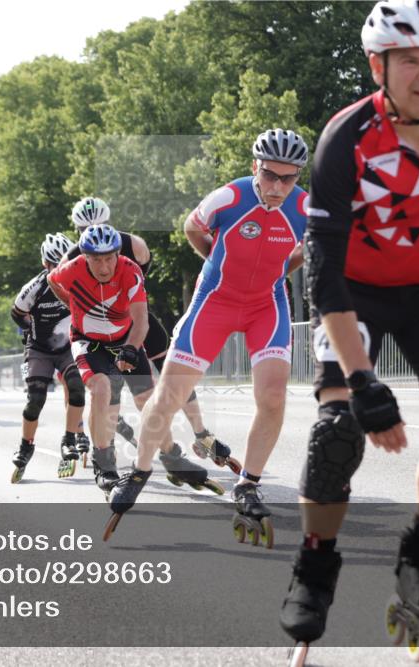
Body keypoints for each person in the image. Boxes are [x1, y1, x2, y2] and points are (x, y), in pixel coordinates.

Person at [277, 0, 419, 658]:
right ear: (379, 65)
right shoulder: (345, 139)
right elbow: (324, 274)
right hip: (357, 291)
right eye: (411, 60)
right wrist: (361, 378)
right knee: (337, 430)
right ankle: (315, 567)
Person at [107, 129, 310, 547]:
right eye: (269, 175)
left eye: (287, 179)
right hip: (215, 302)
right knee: (168, 396)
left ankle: (248, 485)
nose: (277, 187)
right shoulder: (230, 198)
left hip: (266, 306)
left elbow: (312, 246)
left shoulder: (307, 207)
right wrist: (216, 263)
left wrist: (279, 273)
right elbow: (191, 228)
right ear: (255, 167)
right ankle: (140, 470)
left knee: (273, 397)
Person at [63, 197, 235, 470]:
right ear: (78, 230)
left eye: (100, 225)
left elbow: (140, 285)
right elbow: (65, 291)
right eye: (86, 228)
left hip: (138, 319)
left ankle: (202, 434)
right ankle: (115, 453)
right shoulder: (73, 258)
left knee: (174, 375)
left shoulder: (134, 246)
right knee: (120, 391)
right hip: (104, 331)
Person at [47, 224, 157, 496]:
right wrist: (73, 303)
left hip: (123, 339)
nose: (104, 267)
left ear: (118, 255)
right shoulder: (71, 269)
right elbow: (52, 279)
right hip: (87, 341)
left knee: (150, 402)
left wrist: (131, 348)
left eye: (109, 258)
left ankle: (168, 453)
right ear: (85, 257)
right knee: (101, 388)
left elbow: (141, 321)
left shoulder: (130, 270)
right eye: (96, 260)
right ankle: (104, 466)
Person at [9, 232, 86, 482]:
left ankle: (70, 439)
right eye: (54, 265)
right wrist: (30, 326)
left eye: (62, 263)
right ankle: (25, 446)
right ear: (45, 264)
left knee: (76, 388)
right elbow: (16, 312)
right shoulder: (34, 287)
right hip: (39, 349)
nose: (58, 269)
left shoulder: (79, 280)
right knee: (35, 400)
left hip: (68, 347)